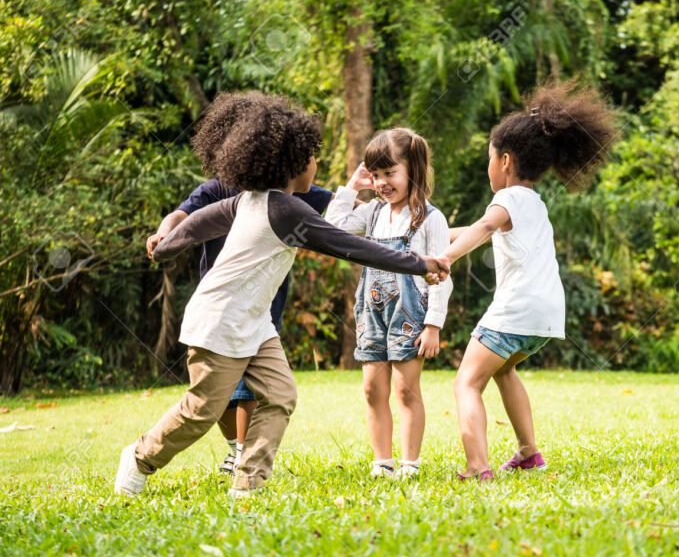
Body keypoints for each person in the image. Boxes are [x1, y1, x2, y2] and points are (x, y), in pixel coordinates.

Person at [115, 91, 448, 498]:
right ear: (291, 163)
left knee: (280, 395)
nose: (316, 164)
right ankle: (139, 457)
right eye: (311, 158)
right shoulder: (284, 210)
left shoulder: (259, 201)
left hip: (254, 323)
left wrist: (166, 243)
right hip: (220, 319)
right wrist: (419, 263)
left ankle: (248, 482)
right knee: (201, 410)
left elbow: (199, 224)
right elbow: (350, 246)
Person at [437, 83, 617, 480]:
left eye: (488, 159)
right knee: (503, 370)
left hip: (516, 309)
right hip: (546, 314)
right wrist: (437, 234)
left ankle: (477, 466)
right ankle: (528, 452)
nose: (488, 168)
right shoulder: (532, 202)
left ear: (504, 160)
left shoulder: (506, 200)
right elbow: (478, 227)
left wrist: (445, 257)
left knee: (467, 383)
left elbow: (484, 227)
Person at [146, 177, 332, 476]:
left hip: (263, 306)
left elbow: (338, 208)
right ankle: (230, 448)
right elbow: (182, 217)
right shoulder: (217, 191)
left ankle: (245, 461)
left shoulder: (292, 190)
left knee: (259, 390)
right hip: (221, 309)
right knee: (217, 397)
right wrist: (163, 234)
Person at [325, 128, 453, 478]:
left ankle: (410, 463)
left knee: (405, 390)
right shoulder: (373, 213)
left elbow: (443, 273)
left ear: (413, 168)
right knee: (371, 389)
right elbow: (332, 228)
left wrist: (433, 325)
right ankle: (382, 462)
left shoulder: (430, 218)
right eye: (376, 174)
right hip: (372, 312)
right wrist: (352, 187)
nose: (381, 182)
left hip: (410, 316)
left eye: (389, 173)